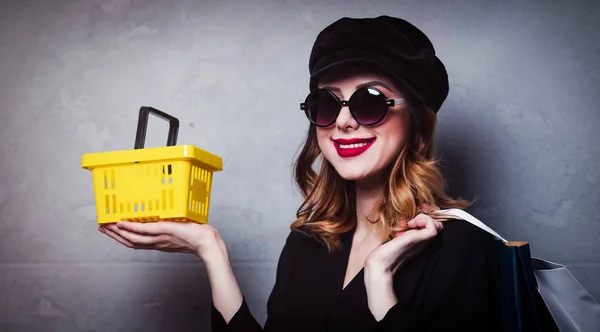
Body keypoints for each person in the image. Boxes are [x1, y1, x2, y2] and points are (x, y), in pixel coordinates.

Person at [99, 16, 501, 331]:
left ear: (416, 126)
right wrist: (210, 249)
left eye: (370, 101)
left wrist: (379, 284)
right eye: (326, 104)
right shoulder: (308, 243)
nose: (343, 122)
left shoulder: (463, 250)